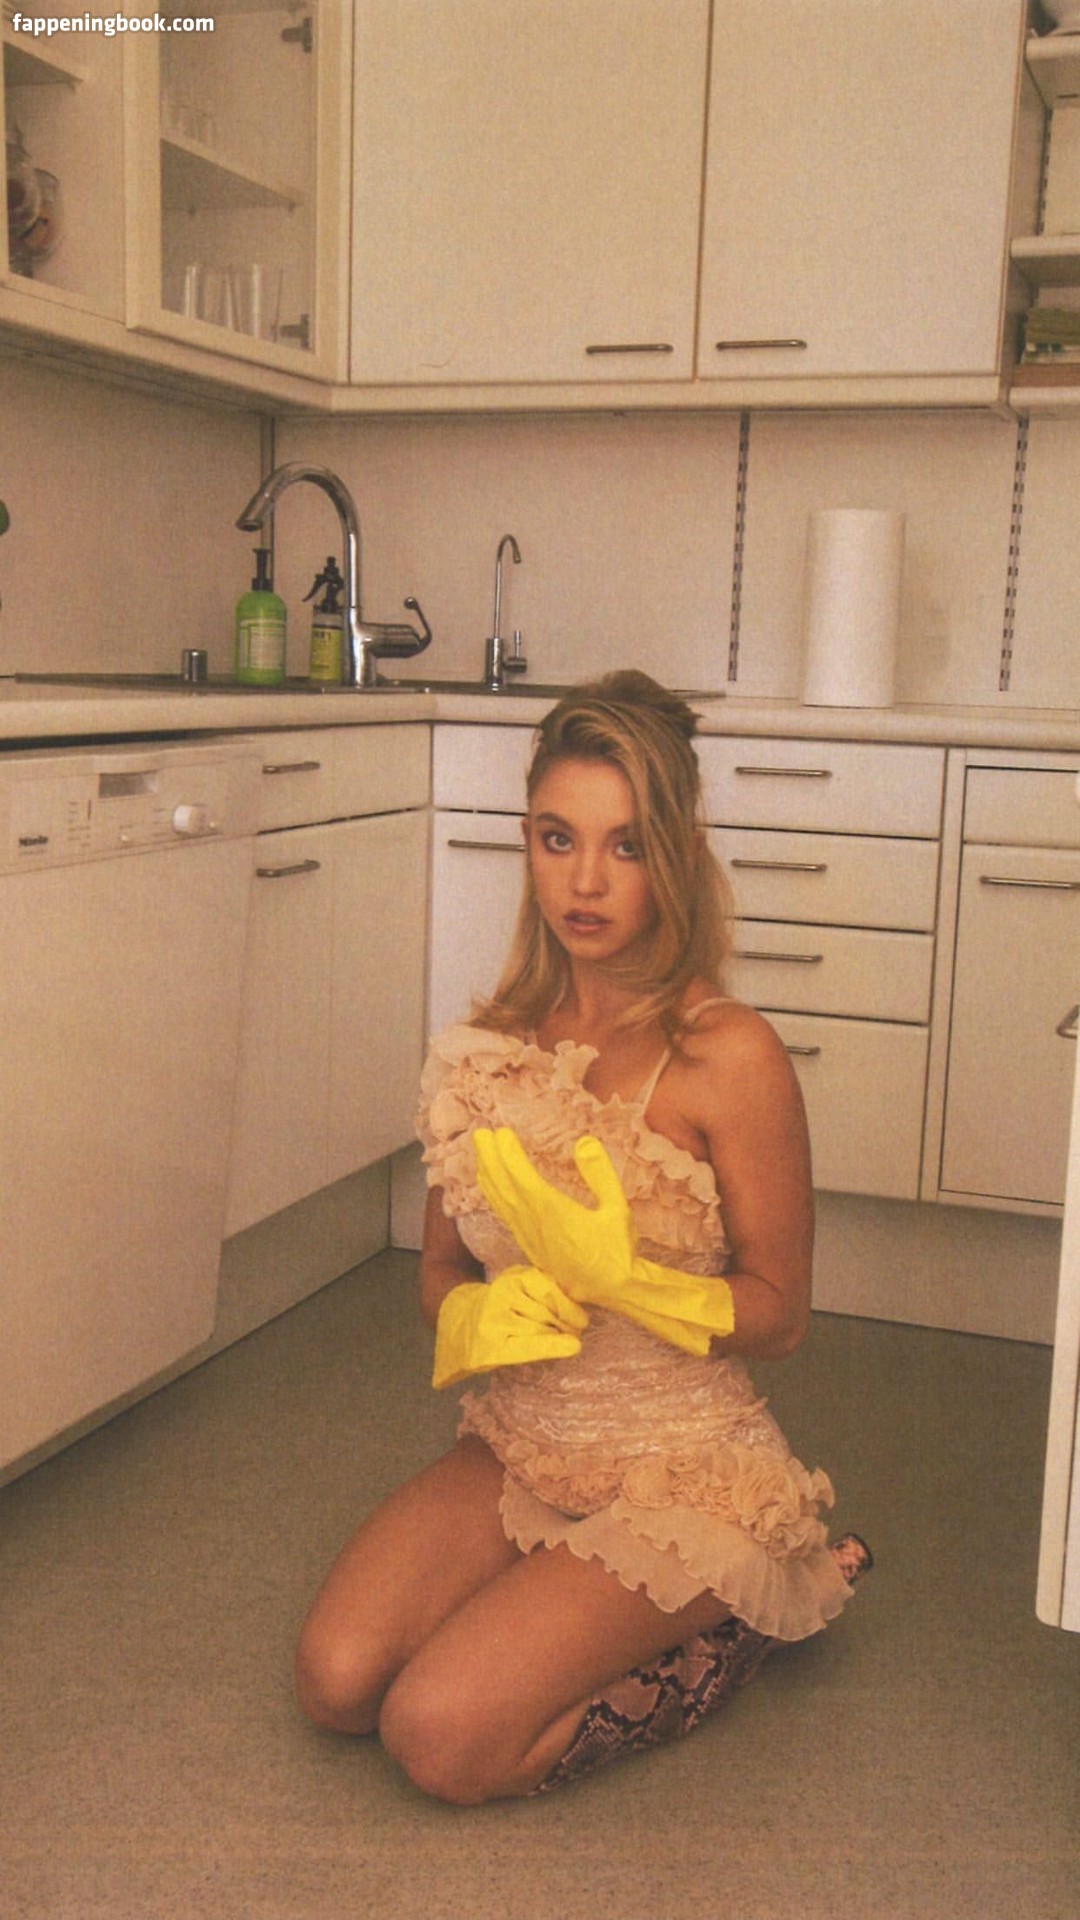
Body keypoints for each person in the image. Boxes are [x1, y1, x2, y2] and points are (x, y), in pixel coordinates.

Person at [294, 670, 871, 1804]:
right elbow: (439, 1267)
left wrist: (637, 1285)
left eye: (627, 845)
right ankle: (565, 1604)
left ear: (678, 855)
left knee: (440, 1738)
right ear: (528, 841)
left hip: (687, 1472)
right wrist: (471, 1313)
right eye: (559, 839)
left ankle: (752, 1611)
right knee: (336, 1683)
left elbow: (783, 1316)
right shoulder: (487, 1048)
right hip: (525, 1443)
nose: (587, 881)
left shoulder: (728, 1054)